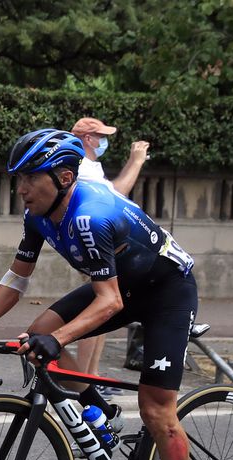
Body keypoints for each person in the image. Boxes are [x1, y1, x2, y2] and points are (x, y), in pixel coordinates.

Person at [0, 128, 200, 460]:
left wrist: (57, 339)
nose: (21, 188)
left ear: (63, 178)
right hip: (123, 286)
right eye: (18, 179)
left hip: (166, 293)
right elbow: (17, 279)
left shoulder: (90, 216)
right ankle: (102, 412)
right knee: (38, 331)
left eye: (30, 177)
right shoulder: (38, 216)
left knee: (157, 407)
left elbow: (109, 302)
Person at [69, 116, 151, 393]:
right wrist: (136, 161)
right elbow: (116, 193)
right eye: (101, 136)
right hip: (96, 240)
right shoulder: (81, 165)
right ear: (88, 139)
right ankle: (83, 380)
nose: (104, 141)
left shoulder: (92, 165)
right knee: (97, 305)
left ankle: (92, 375)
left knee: (107, 306)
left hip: (106, 240)